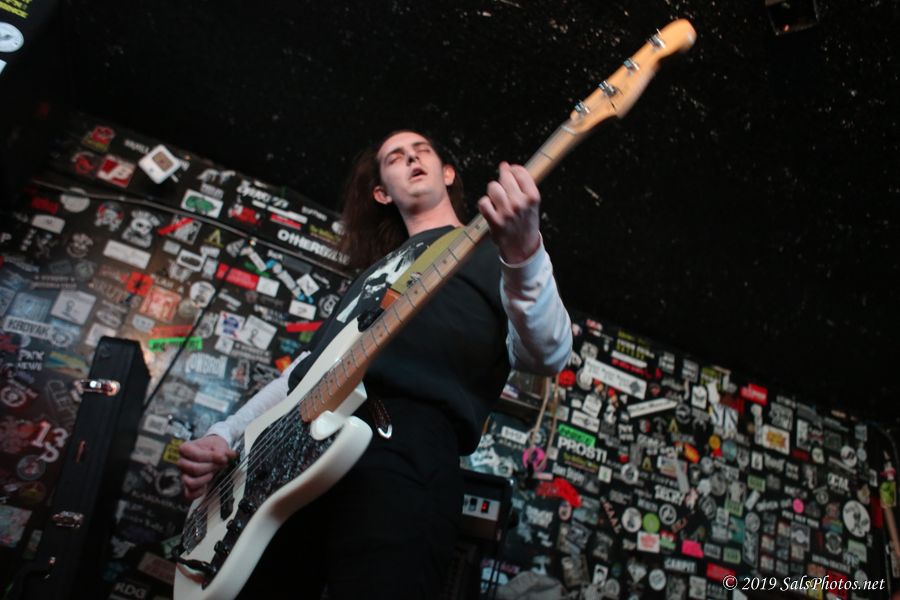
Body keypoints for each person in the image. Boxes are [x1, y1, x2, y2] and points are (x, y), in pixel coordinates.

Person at [176, 130, 572, 599]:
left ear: (447, 173)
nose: (412, 159)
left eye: (422, 151)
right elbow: (303, 374)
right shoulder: (372, 274)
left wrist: (524, 254)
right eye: (396, 157)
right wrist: (226, 433)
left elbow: (548, 353)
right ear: (382, 192)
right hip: (295, 455)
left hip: (407, 448)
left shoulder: (495, 251)